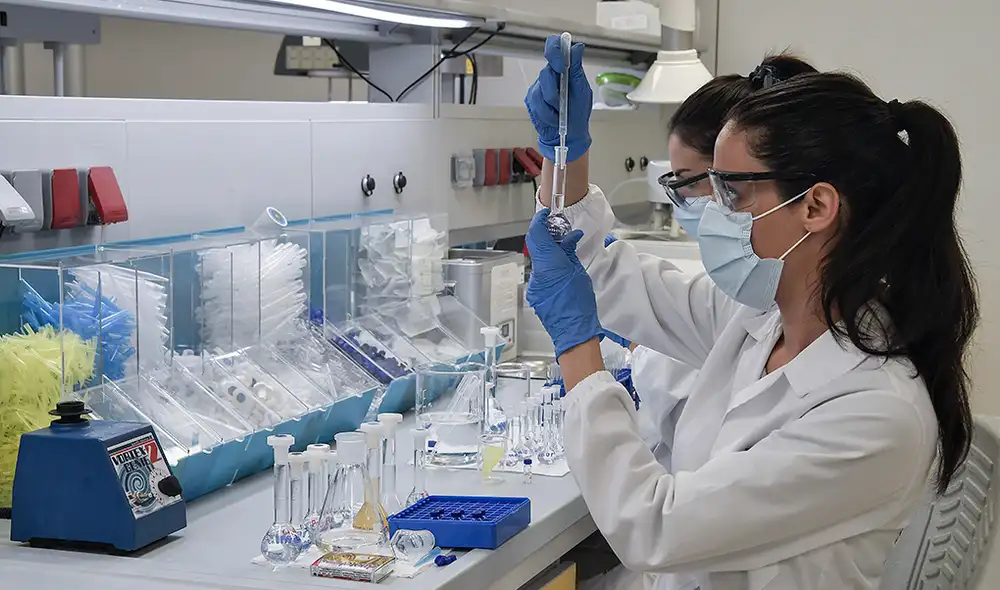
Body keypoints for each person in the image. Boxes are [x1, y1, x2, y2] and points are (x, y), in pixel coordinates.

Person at [523, 36, 979, 590]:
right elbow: (598, 270)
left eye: (733, 191)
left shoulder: (878, 414)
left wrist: (577, 348)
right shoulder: (760, 321)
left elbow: (653, 527)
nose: (714, 211)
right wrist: (563, 154)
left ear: (815, 206)